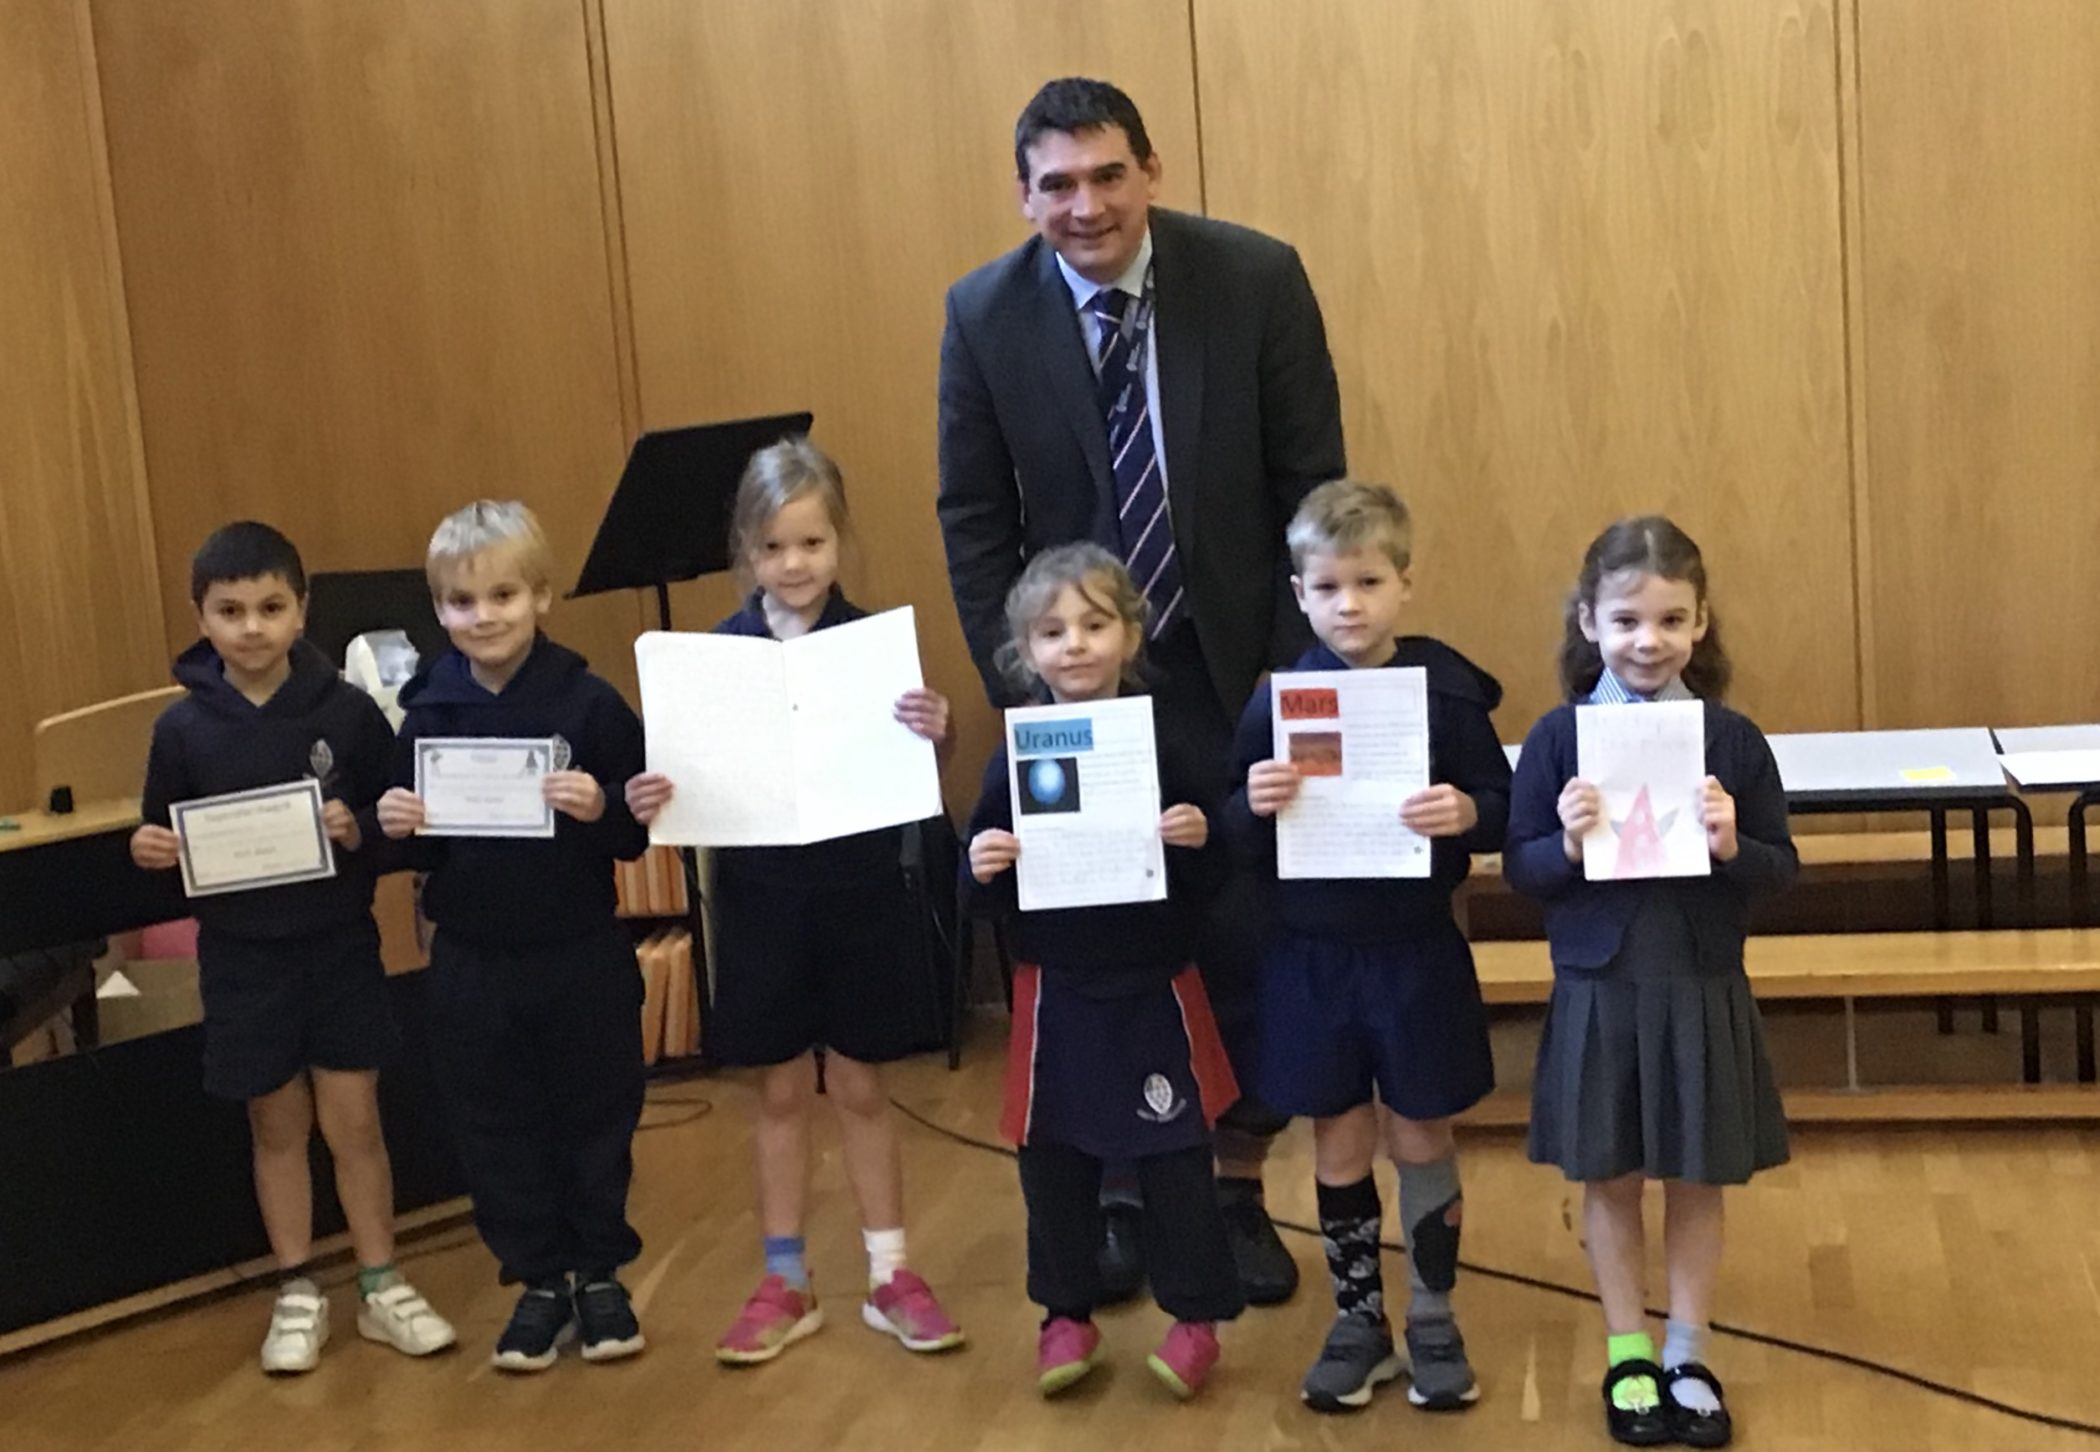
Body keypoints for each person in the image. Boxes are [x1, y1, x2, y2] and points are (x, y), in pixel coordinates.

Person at [937, 71, 1347, 1305]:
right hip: (1081, 693)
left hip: (1234, 675)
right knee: (1101, 953)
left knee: (1248, 939)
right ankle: (1122, 1191)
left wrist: (1292, 678)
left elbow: (1312, 485)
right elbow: (974, 516)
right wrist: (1030, 685)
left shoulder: (1255, 279)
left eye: (1108, 175)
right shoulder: (983, 313)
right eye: (1057, 184)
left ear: (1151, 172)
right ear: (1024, 195)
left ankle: (1233, 1190)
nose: (1086, 205)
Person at [623, 438, 965, 1365]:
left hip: (860, 896)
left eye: (812, 543)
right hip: (762, 901)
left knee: (860, 1085)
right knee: (777, 1092)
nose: (794, 563)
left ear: (839, 540)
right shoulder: (720, 659)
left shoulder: (872, 648)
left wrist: (935, 733)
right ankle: (786, 1279)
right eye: (773, 547)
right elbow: (683, 781)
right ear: (745, 550)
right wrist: (654, 791)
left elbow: (916, 771)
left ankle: (890, 1273)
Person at [131, 521, 455, 1374]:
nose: (252, 627)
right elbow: (165, 845)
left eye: (270, 607)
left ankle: (380, 1282)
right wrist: (151, 849)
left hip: (339, 950)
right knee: (277, 1127)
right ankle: (297, 1286)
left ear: (302, 610)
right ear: (201, 617)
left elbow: (395, 825)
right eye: (230, 610)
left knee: (356, 1121)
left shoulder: (347, 713)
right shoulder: (180, 730)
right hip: (243, 961)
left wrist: (358, 830)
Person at [1503, 517, 1796, 1448]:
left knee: (1697, 1178)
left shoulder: (1733, 740)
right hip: (1600, 988)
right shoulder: (1558, 739)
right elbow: (1520, 870)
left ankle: (1687, 1352)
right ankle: (1628, 1351)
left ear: (1700, 623)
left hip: (1700, 984)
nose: (1648, 640)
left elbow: (1780, 868)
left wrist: (1732, 843)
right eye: (1627, 620)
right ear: (1589, 621)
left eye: (1671, 620)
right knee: (1612, 1174)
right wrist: (1564, 842)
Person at [1222, 481, 1508, 1413]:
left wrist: (1467, 812)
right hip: (1311, 958)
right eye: (1328, 587)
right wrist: (1252, 804)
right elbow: (1231, 830)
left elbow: (1505, 806)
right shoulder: (1278, 703)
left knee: (1422, 1131)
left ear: (1405, 584)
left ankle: (1433, 1316)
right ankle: (1358, 1321)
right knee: (1338, 1137)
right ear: (1300, 594)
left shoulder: (1447, 694)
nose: (1349, 604)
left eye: (1369, 582)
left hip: (1415, 954)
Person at [963, 543, 1244, 1399]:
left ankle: (1195, 1320)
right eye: (1053, 632)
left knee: (1176, 1159)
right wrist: (982, 862)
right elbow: (976, 888)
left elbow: (1219, 866)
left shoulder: (1168, 740)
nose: (1075, 645)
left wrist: (1200, 838)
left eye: (1094, 624)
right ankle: (1065, 1316)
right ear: (1025, 650)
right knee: (1052, 1160)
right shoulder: (1014, 757)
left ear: (1132, 632)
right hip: (1055, 991)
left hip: (1155, 985)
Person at [376, 501, 650, 1372]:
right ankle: (538, 1280)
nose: (483, 616)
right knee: (494, 1124)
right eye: (462, 602)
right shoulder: (425, 716)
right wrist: (397, 822)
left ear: (542, 597)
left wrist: (603, 804)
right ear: (440, 610)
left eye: (503, 595)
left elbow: (637, 829)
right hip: (470, 959)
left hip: (579, 949)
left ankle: (599, 1275)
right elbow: (417, 849)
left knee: (596, 1114)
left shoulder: (590, 702)